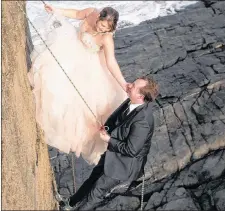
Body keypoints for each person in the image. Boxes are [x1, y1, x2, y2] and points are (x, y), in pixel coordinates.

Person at [28, 4, 129, 164]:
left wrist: (124, 84)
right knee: (50, 73)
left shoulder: (107, 38)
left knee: (76, 105)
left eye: (106, 28)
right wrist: (56, 10)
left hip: (88, 65)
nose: (102, 29)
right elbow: (75, 13)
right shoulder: (90, 12)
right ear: (99, 17)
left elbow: (111, 62)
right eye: (101, 24)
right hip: (72, 47)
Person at [60, 76, 159, 210]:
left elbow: (131, 150)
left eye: (133, 86)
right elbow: (115, 119)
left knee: (96, 193)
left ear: (141, 96)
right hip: (113, 155)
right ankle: (69, 204)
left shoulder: (143, 122)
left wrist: (109, 140)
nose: (129, 85)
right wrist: (106, 128)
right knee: (92, 180)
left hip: (124, 166)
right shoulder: (131, 101)